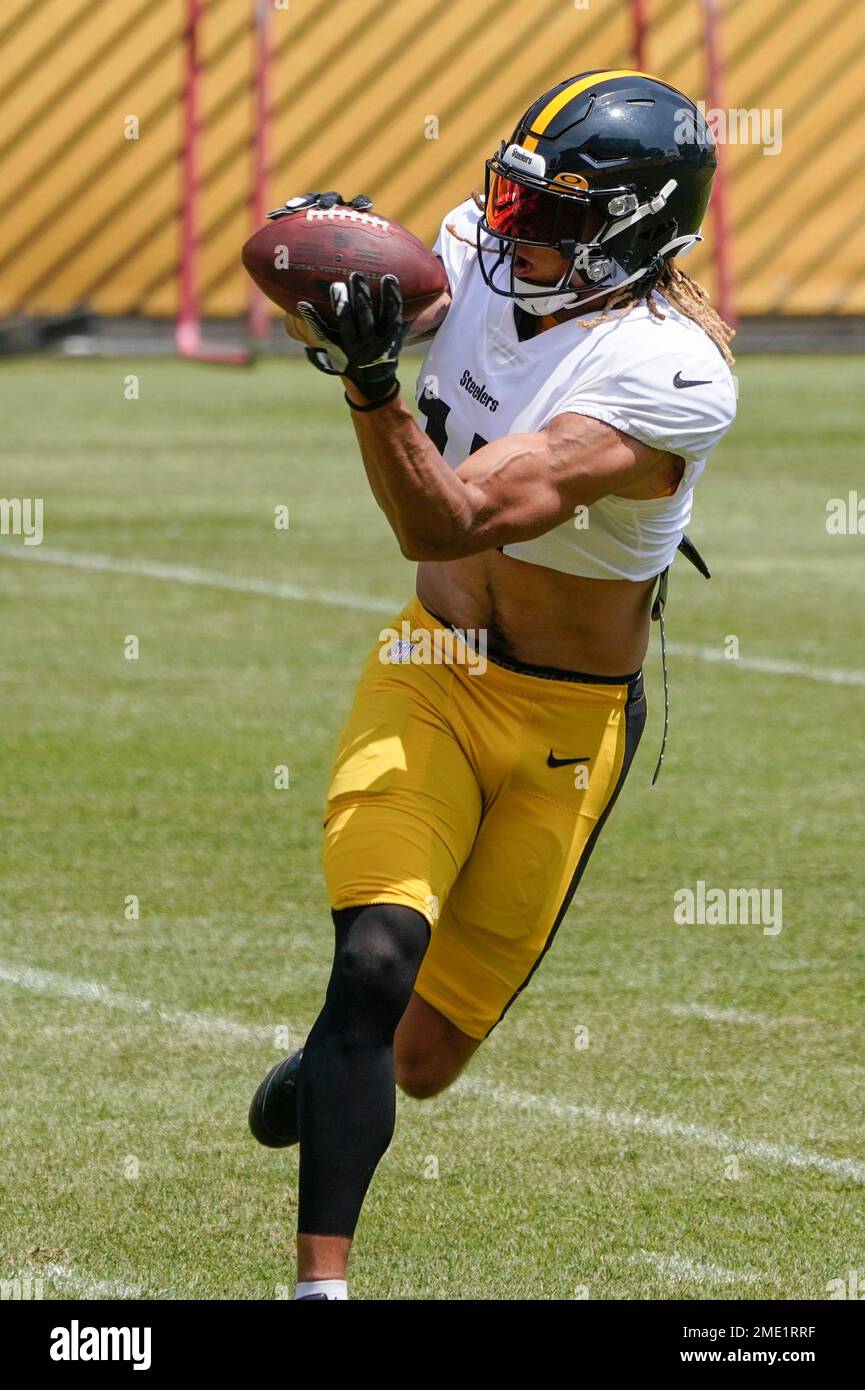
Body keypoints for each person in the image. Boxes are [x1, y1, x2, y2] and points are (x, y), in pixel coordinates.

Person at [248, 69, 737, 1301]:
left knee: (419, 1057)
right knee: (369, 962)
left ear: (637, 229)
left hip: (567, 720)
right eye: (513, 201)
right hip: (430, 666)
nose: (514, 233)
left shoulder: (669, 375)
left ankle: (331, 1071)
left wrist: (367, 387)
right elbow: (358, 277)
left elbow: (456, 514)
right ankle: (321, 1289)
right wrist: (338, 272)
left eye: (556, 217)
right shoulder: (478, 246)